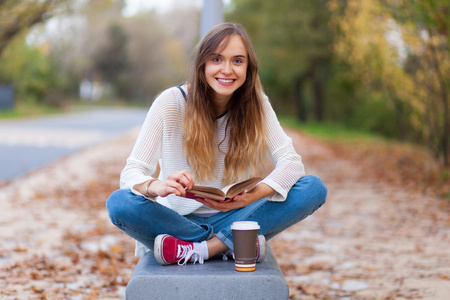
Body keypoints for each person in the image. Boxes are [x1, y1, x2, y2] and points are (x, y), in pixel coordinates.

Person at [106, 23, 327, 266]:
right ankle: (229, 245)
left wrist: (251, 197)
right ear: (203, 65)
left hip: (237, 217)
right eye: (217, 59)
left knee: (313, 188)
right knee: (119, 203)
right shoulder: (171, 103)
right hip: (177, 222)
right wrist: (157, 186)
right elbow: (131, 173)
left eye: (237, 61)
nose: (227, 69)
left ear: (248, 68)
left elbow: (292, 163)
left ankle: (201, 249)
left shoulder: (257, 105)